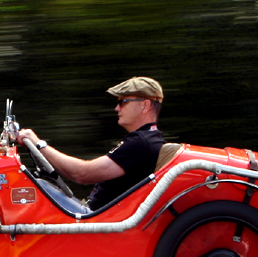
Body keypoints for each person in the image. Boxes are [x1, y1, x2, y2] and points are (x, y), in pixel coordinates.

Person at [17, 76, 165, 211]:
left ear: (145, 106)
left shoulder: (141, 143)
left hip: (96, 220)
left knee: (33, 188)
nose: (117, 108)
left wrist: (38, 144)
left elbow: (82, 173)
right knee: (39, 186)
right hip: (98, 216)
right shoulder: (149, 140)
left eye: (123, 102)